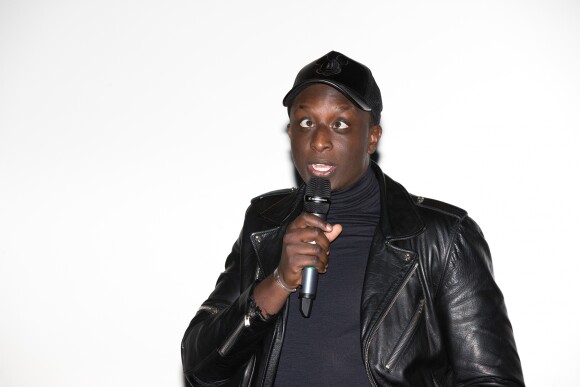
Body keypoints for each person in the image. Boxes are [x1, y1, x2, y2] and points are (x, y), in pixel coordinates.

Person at [181, 51, 524, 386]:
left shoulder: (441, 237)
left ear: (372, 136)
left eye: (340, 124)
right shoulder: (265, 224)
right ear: (290, 135)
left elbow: (492, 378)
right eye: (306, 122)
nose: (319, 141)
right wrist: (279, 283)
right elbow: (200, 367)